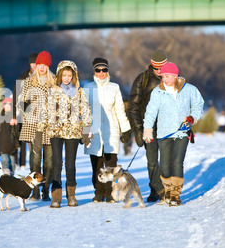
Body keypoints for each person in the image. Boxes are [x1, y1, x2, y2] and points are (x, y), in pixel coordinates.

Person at [143, 62, 204, 206]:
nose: (164, 79)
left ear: (175, 76)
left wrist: (192, 117)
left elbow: (198, 105)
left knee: (177, 162)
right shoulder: (157, 92)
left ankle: (175, 195)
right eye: (163, 76)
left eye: (167, 76)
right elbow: (151, 112)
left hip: (182, 132)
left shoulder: (189, 89)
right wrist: (147, 129)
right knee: (164, 165)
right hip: (164, 133)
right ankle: (168, 191)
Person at [37, 60, 92, 208]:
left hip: (73, 131)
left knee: (70, 164)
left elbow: (86, 111)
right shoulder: (51, 91)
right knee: (56, 163)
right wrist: (40, 128)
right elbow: (44, 110)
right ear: (60, 75)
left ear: (73, 76)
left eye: (69, 75)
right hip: (55, 131)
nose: (66, 78)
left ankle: (71, 195)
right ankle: (56, 195)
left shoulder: (79, 92)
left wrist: (86, 130)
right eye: (64, 75)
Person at [83, 57, 132, 203]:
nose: (101, 73)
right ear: (94, 71)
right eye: (98, 70)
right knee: (97, 164)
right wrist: (84, 132)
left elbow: (120, 110)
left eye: (104, 70)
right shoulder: (88, 88)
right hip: (94, 130)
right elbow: (83, 112)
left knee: (111, 164)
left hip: (111, 129)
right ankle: (98, 192)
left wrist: (126, 129)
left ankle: (111, 193)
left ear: (107, 71)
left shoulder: (114, 87)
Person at [127, 49, 168, 202]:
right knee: (152, 160)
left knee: (165, 161)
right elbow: (133, 106)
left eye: (161, 68)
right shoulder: (142, 79)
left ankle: (161, 189)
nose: (159, 71)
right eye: (156, 68)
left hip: (167, 127)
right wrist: (138, 129)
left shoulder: (171, 78)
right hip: (149, 127)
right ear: (152, 66)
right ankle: (157, 189)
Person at [18, 51, 55, 201]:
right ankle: (35, 191)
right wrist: (24, 105)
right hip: (34, 125)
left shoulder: (54, 82)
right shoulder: (28, 81)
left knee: (50, 160)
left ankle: (46, 190)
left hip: (50, 126)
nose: (41, 68)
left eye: (45, 65)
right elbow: (20, 101)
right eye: (40, 64)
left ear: (48, 66)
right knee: (35, 158)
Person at [11, 52, 38, 170]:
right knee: (22, 139)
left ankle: (33, 168)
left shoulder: (46, 77)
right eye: (33, 63)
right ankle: (22, 164)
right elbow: (16, 96)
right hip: (23, 113)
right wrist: (13, 115)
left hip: (39, 115)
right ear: (30, 64)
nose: (35, 65)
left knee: (37, 145)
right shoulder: (22, 78)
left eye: (37, 63)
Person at [0, 97, 20, 172]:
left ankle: (11, 178)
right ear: (3, 106)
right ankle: (6, 177)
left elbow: (18, 131)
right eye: (5, 104)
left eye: (10, 104)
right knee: (5, 161)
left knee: (12, 164)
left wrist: (16, 124)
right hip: (2, 143)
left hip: (12, 144)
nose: (7, 106)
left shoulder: (15, 118)